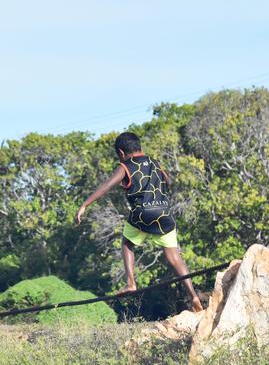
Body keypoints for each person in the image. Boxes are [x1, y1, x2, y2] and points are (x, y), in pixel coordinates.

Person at [75, 132, 203, 312]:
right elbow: (168, 181)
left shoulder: (125, 166)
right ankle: (193, 295)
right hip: (164, 213)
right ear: (139, 146)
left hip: (142, 214)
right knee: (174, 256)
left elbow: (107, 185)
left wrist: (84, 205)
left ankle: (130, 283)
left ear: (121, 152)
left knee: (127, 243)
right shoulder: (155, 162)